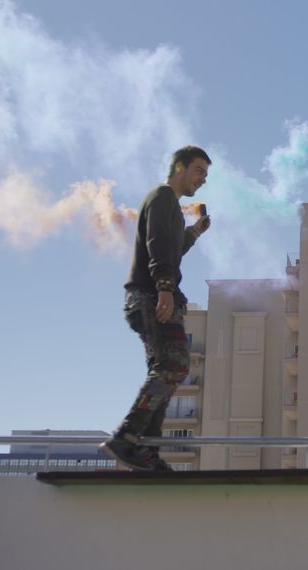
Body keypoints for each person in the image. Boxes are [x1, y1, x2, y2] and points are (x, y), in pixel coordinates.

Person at [101, 145, 212, 471]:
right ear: (180, 167)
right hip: (151, 297)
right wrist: (164, 288)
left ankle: (144, 450)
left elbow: (173, 247)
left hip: (150, 297)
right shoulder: (163, 196)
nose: (203, 180)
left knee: (166, 370)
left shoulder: (171, 209)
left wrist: (194, 231)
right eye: (199, 171)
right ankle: (127, 437)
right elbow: (158, 246)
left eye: (205, 175)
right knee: (174, 366)